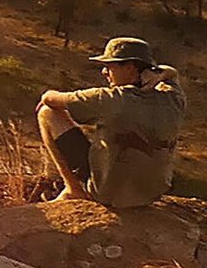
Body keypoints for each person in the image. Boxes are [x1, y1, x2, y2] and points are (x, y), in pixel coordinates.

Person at [37, 37, 187, 208]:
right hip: (149, 194)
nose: (104, 72)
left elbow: (50, 99)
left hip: (107, 193)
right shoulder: (173, 98)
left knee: (47, 113)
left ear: (130, 68)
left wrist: (47, 94)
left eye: (110, 66)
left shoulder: (110, 98)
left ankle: (74, 189)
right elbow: (172, 74)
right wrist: (161, 73)